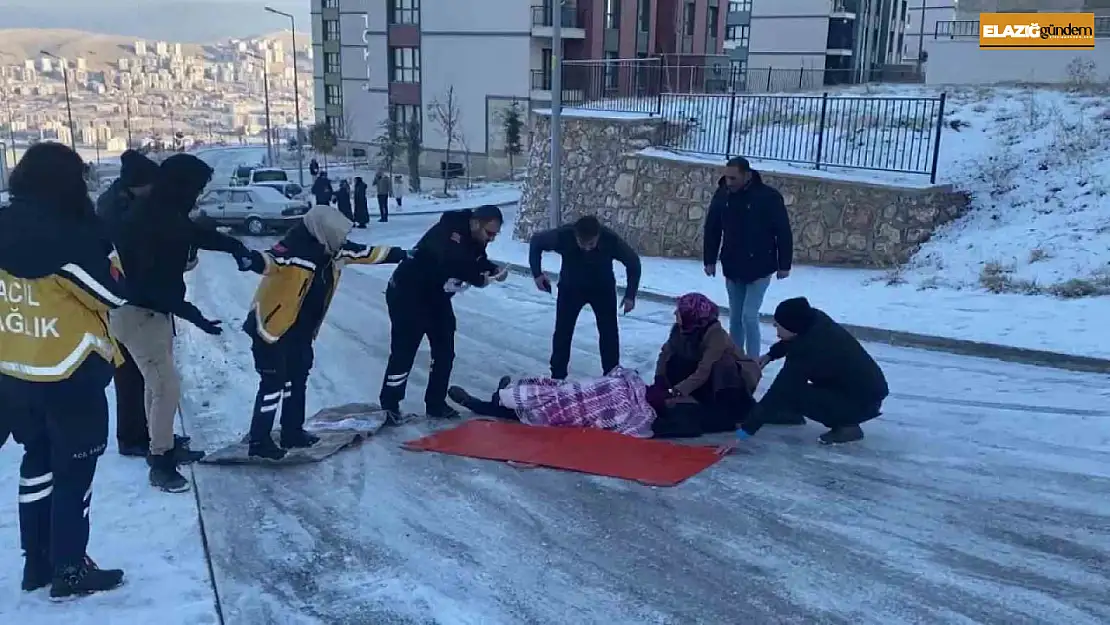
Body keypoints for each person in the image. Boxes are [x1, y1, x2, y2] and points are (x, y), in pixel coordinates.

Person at [0, 142, 127, 598]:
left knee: (36, 465)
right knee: (75, 476)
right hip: (70, 376)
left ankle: (36, 564)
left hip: (14, 374)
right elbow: (113, 292)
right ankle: (70, 569)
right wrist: (101, 240)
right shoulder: (70, 238)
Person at [111, 153, 259, 493]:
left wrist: (234, 246)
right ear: (182, 184)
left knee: (156, 385)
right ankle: (160, 463)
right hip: (137, 313)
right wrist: (192, 314)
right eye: (197, 188)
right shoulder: (148, 219)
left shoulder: (165, 212)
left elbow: (194, 234)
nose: (198, 196)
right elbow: (148, 285)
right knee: (166, 387)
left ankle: (157, 445)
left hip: (152, 313)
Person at [240, 205, 407, 459]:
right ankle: (259, 441)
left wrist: (402, 254)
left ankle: (292, 432)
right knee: (272, 384)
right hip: (270, 328)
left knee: (297, 380)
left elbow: (367, 253)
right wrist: (250, 260)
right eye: (338, 233)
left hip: (301, 329)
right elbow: (271, 260)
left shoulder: (334, 248)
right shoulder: (293, 248)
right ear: (323, 229)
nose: (342, 238)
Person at [378, 205, 508, 422]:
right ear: (476, 224)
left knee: (445, 351)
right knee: (404, 352)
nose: (491, 239)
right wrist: (479, 278)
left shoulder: (475, 238)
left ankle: (436, 403)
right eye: (489, 233)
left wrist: (492, 269)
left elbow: (476, 260)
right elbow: (452, 262)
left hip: (436, 298)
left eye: (495, 234)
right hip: (407, 295)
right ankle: (389, 405)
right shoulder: (447, 232)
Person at [737, 297, 888, 445]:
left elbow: (780, 389)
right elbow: (795, 338)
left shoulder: (811, 349)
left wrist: (746, 430)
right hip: (858, 391)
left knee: (791, 390)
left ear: (793, 326)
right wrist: (771, 355)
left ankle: (847, 426)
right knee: (793, 390)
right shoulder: (814, 322)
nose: (776, 331)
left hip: (860, 402)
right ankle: (791, 414)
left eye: (778, 326)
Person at [96, 150, 168, 457]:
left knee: (144, 375)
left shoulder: (121, 200)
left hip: (131, 300)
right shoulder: (117, 209)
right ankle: (132, 438)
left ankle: (149, 432)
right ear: (138, 184)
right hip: (124, 303)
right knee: (129, 376)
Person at [529, 215, 641, 380]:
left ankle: (611, 374)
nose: (587, 248)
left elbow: (633, 262)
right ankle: (557, 375)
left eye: (591, 244)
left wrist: (630, 295)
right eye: (583, 243)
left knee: (609, 331)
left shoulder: (609, 239)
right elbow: (536, 242)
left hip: (602, 290)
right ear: (576, 236)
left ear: (598, 236)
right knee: (563, 331)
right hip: (571, 289)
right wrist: (537, 274)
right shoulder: (563, 236)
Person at [703, 156, 793, 359]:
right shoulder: (723, 195)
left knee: (749, 316)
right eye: (727, 178)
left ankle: (752, 362)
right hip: (733, 264)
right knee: (735, 317)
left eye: (734, 178)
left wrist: (784, 264)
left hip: (760, 265)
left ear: (747, 175)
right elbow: (713, 228)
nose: (729, 182)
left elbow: (783, 231)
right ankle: (736, 359)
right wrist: (709, 259)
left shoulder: (768, 197)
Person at [646, 292, 762, 438]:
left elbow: (704, 370)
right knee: (675, 359)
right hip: (704, 376)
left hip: (729, 380)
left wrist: (675, 392)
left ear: (691, 315)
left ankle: (729, 409)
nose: (675, 313)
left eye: (680, 311)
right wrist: (659, 381)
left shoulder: (715, 334)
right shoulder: (680, 330)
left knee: (723, 363)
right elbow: (665, 353)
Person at [447, 367, 657, 438]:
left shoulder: (635, 401)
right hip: (578, 394)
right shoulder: (629, 389)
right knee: (551, 393)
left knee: (544, 408)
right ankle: (504, 396)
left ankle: (487, 401)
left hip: (577, 406)